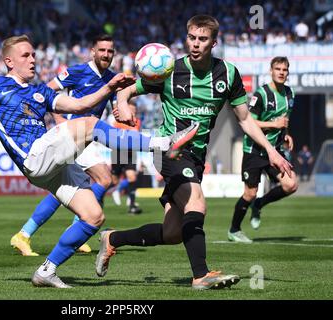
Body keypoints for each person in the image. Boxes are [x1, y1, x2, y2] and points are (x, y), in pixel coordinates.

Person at [0, 34, 195, 288]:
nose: (33, 60)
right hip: (34, 156)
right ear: (9, 61)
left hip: (50, 165)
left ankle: (46, 270)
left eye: (33, 55)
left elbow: (79, 105)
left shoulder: (40, 91)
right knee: (91, 124)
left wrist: (109, 87)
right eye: (26, 55)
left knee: (93, 215)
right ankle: (160, 143)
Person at [95, 15, 292, 290]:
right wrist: (123, 103)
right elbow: (126, 90)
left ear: (214, 42)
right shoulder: (169, 71)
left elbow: (245, 119)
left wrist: (271, 150)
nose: (195, 44)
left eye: (202, 39)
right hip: (169, 149)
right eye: (192, 38)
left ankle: (112, 239)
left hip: (196, 157)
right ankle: (201, 275)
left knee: (173, 232)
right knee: (197, 203)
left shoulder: (229, 74)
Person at [10, 34, 118, 256]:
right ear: (92, 51)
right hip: (73, 135)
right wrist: (60, 120)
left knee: (66, 188)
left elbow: (115, 105)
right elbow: (46, 91)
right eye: (102, 50)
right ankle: (77, 227)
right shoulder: (77, 72)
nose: (106, 54)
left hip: (87, 138)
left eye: (110, 51)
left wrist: (122, 110)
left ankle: (25, 234)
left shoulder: (112, 79)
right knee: (103, 179)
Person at [228, 56, 298, 243]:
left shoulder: (290, 94)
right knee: (250, 193)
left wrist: (285, 134)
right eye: (278, 69)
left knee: (291, 185)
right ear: (271, 71)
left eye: (285, 69)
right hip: (254, 151)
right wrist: (274, 125)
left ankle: (259, 204)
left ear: (288, 72)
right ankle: (234, 230)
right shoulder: (261, 94)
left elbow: (284, 120)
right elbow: (249, 121)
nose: (281, 72)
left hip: (274, 151)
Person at [110, 103, 143, 214]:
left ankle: (132, 206)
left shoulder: (137, 121)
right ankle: (115, 190)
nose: (133, 111)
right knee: (113, 180)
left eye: (134, 109)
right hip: (118, 152)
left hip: (130, 153)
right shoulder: (119, 122)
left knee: (132, 178)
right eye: (131, 109)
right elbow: (113, 137)